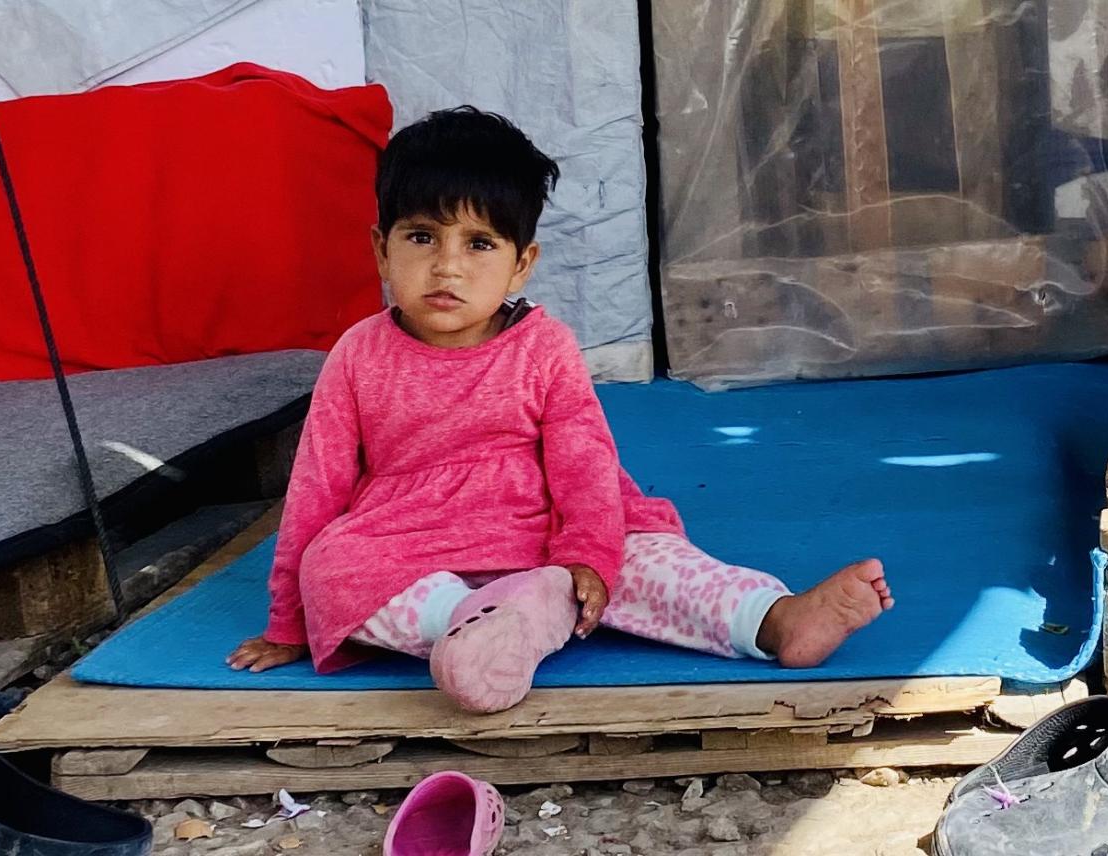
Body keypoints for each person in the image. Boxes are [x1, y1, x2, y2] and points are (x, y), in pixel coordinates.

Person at [226, 107, 894, 713]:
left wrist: (587, 557)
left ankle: (775, 620)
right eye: (422, 238)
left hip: (547, 526)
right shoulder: (358, 355)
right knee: (332, 569)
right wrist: (290, 620)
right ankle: (482, 624)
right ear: (381, 249)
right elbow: (315, 492)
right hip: (414, 540)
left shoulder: (543, 346)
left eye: (479, 244)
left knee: (650, 563)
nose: (447, 268)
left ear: (523, 264)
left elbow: (586, 467)